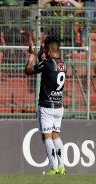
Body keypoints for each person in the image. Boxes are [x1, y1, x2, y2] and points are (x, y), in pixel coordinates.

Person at [24, 36, 67, 175]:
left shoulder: (47, 64)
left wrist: (32, 54)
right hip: (59, 106)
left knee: (47, 137)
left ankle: (53, 167)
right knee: (56, 136)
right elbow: (45, 66)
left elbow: (29, 70)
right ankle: (62, 167)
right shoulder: (63, 64)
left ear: (48, 49)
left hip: (47, 107)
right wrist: (40, 55)